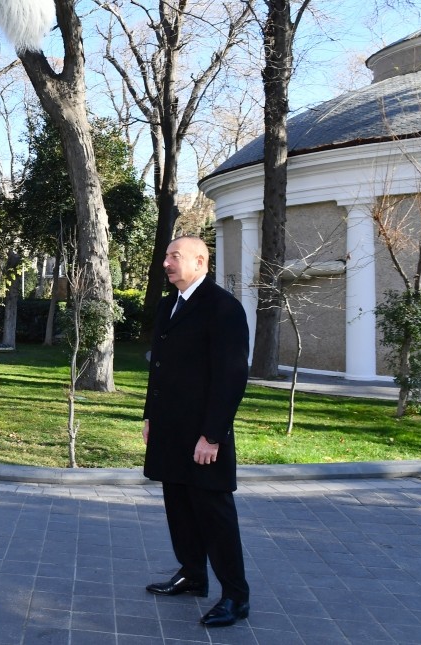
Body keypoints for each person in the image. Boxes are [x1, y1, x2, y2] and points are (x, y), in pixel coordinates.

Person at [142, 235, 251, 628]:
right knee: (179, 507)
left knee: (214, 515)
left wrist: (213, 435)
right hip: (170, 429)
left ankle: (236, 597)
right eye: (167, 256)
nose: (167, 263)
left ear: (200, 261)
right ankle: (192, 574)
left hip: (203, 434)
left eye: (175, 256)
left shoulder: (223, 308)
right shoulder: (169, 305)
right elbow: (159, 371)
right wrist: (150, 416)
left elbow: (232, 376)